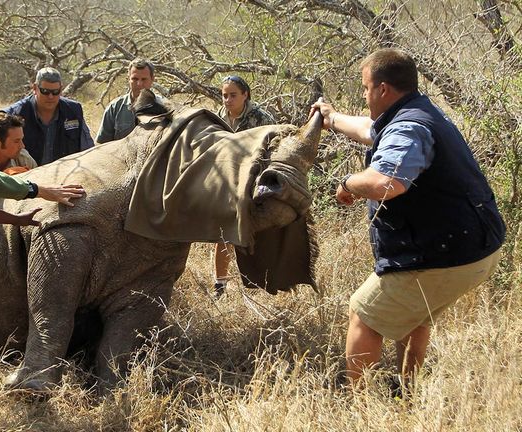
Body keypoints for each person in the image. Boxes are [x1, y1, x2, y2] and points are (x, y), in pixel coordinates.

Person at [311, 48, 505, 389]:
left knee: (364, 315)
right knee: (414, 311)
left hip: (444, 254)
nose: (364, 94)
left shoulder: (408, 128)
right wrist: (331, 118)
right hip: (476, 248)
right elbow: (370, 129)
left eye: (366, 88)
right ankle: (407, 391)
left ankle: (361, 408)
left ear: (383, 89)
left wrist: (347, 184)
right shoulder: (419, 112)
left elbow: (387, 182)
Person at [212, 75, 276, 297]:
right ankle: (220, 285)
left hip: (255, 182)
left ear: (245, 95)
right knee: (223, 233)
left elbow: (275, 150)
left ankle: (261, 282)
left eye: (233, 95)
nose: (228, 100)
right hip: (227, 182)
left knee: (256, 234)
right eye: (224, 95)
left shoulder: (261, 118)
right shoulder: (219, 117)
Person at [0, 67, 94, 165]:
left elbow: (88, 151)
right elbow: (1, 155)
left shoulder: (73, 111)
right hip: (26, 176)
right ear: (35, 88)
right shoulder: (13, 115)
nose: (50, 96)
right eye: (45, 91)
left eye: (55, 92)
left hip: (66, 175)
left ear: (61, 89)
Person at [95, 58, 156, 143]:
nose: (139, 84)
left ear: (152, 79)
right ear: (128, 79)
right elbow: (103, 145)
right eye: (135, 79)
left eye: (144, 79)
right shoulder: (114, 108)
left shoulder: (164, 108)